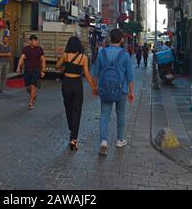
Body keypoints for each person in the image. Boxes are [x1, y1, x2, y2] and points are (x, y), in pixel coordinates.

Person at [93, 28, 134, 157]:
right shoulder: (125, 54)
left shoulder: (101, 53)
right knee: (121, 113)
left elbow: (96, 73)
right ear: (122, 39)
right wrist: (131, 92)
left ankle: (103, 141)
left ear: (110, 38)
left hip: (105, 89)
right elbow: (130, 76)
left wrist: (95, 87)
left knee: (105, 114)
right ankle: (119, 140)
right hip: (121, 89)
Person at [56, 37, 97, 151]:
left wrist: (61, 57)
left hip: (66, 84)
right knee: (77, 111)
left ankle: (71, 128)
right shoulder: (83, 57)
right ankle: (74, 139)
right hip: (77, 84)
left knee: (68, 108)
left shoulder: (65, 55)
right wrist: (93, 87)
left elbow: (58, 65)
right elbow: (87, 74)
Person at [17, 35, 46, 110]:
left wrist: (43, 70)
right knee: (27, 87)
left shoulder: (39, 49)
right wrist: (18, 67)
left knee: (33, 86)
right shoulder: (26, 49)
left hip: (36, 70)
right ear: (30, 41)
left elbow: (43, 60)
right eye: (34, 40)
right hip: (27, 70)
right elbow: (22, 58)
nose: (36, 42)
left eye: (37, 40)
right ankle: (34, 95)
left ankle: (31, 102)